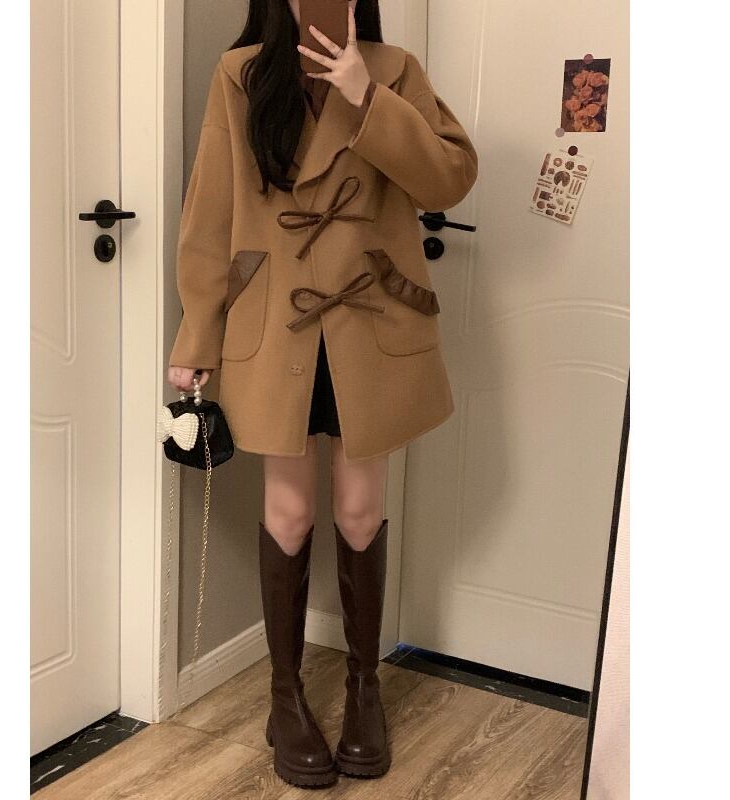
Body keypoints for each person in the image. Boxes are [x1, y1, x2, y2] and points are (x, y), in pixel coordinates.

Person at [167, 0, 477, 787]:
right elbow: (210, 212)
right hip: (278, 325)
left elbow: (449, 178)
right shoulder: (240, 75)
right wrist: (196, 336)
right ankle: (285, 698)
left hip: (370, 326)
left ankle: (365, 689)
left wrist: (366, 96)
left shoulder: (393, 69)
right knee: (289, 512)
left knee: (360, 512)